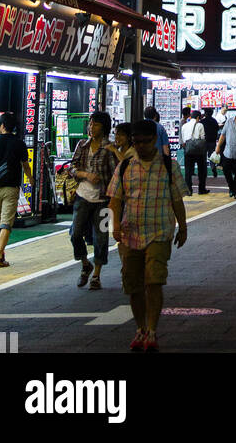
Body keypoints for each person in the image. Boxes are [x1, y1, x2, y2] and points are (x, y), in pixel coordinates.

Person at [107, 118, 188, 352]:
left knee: (154, 280)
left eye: (145, 141)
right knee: (133, 285)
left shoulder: (169, 165)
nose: (141, 146)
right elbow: (115, 200)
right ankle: (140, 328)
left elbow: (176, 199)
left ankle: (151, 331)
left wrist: (182, 227)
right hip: (130, 234)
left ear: (155, 139)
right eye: (137, 142)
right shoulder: (124, 167)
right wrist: (115, 227)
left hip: (159, 231)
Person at [69, 111, 118, 290]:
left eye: (95, 124)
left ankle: (96, 274)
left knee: (101, 237)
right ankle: (85, 263)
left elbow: (115, 174)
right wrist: (85, 174)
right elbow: (72, 168)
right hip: (82, 196)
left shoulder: (109, 148)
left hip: (103, 200)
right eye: (90, 124)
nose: (91, 127)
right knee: (75, 233)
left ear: (104, 127)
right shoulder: (82, 145)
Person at [0, 111, 31, 268]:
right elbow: (25, 165)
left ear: (2, 126)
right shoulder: (19, 144)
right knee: (6, 223)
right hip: (11, 189)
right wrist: (31, 179)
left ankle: (0, 254)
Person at [181, 108, 208, 195]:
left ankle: (188, 190)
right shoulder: (200, 125)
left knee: (188, 170)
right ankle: (201, 189)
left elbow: (183, 139)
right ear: (197, 118)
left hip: (188, 150)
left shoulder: (184, 126)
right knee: (201, 170)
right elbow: (203, 137)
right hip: (199, 151)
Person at [200, 108, 220, 178]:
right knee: (212, 157)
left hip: (204, 141)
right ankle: (213, 167)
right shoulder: (214, 121)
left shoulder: (202, 121)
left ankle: (204, 171)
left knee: (203, 157)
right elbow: (217, 129)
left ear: (205, 113)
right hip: (212, 141)